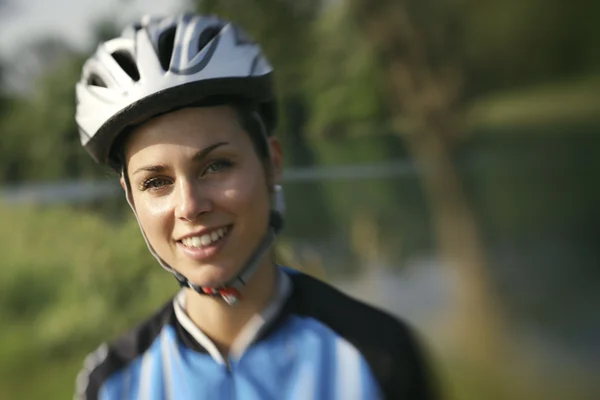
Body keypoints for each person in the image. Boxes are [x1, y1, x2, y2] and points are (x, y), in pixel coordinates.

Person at [73, 13, 437, 400]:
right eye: (156, 182)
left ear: (271, 163)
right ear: (132, 198)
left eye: (216, 165)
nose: (190, 206)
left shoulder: (378, 355)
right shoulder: (113, 384)